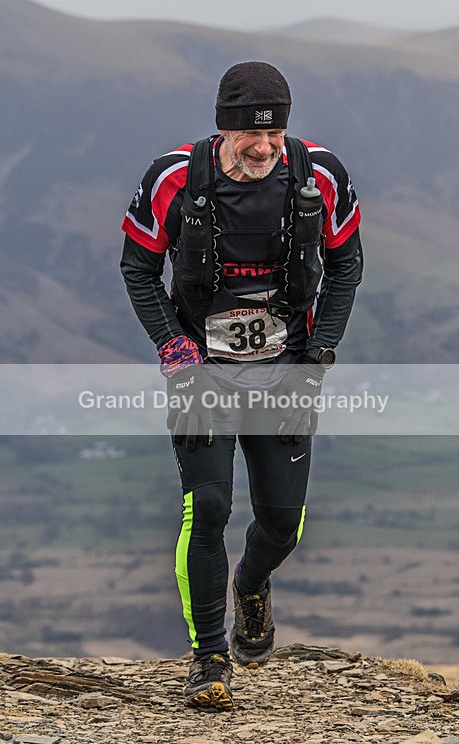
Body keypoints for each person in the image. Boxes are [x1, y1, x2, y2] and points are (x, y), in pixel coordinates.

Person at [120, 61, 363, 710]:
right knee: (210, 508)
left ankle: (251, 584)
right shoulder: (174, 177)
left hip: (286, 368)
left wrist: (318, 354)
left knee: (281, 523)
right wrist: (175, 351)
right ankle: (209, 659)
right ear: (221, 129)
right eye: (249, 136)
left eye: (275, 135)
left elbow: (347, 264)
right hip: (202, 366)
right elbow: (137, 269)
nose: (262, 147)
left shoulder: (320, 175)